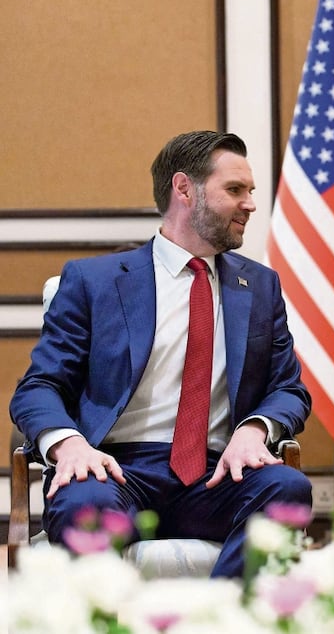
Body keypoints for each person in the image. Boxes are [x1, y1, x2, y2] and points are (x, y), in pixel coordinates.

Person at [9, 130, 312, 579]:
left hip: (217, 473)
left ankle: (221, 620)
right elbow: (39, 387)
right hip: (115, 469)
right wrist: (69, 445)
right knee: (81, 501)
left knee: (287, 487)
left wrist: (255, 429)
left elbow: (287, 389)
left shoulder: (261, 286)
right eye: (234, 190)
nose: (250, 204)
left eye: (250, 192)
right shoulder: (94, 282)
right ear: (184, 189)